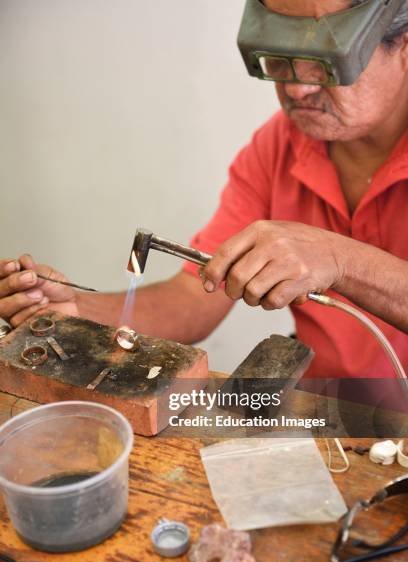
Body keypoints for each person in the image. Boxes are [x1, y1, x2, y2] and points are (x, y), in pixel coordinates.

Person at [1, 0, 408, 378]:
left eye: (326, 63)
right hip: (334, 408)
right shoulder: (281, 146)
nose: (298, 88)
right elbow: (195, 297)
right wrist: (74, 311)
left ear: (403, 44)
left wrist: (341, 258)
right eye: (279, 58)